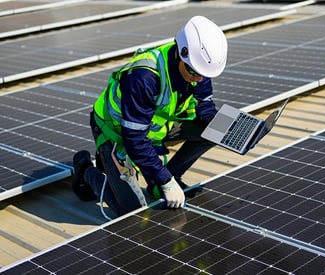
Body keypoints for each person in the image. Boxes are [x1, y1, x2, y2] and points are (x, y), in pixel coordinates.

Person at [71, 15, 228, 217]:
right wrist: (166, 181)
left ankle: (163, 179)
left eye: (204, 74)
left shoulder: (199, 69)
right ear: (181, 53)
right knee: (130, 210)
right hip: (116, 130)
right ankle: (86, 169)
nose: (198, 78)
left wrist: (233, 131)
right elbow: (134, 139)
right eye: (193, 71)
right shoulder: (144, 77)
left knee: (216, 131)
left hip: (152, 130)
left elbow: (205, 109)